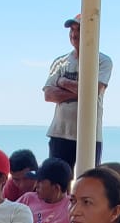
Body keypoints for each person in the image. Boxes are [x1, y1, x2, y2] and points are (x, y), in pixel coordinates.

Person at [42, 14, 112, 167]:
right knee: (57, 183)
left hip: (90, 136)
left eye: (79, 29)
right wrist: (83, 91)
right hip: (60, 134)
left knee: (88, 182)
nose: (74, 34)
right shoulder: (60, 62)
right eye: (72, 30)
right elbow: (49, 95)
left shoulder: (103, 61)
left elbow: (94, 92)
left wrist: (63, 82)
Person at [15, 156, 72, 223]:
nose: (36, 185)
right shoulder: (28, 199)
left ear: (56, 188)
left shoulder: (73, 207)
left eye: (40, 182)